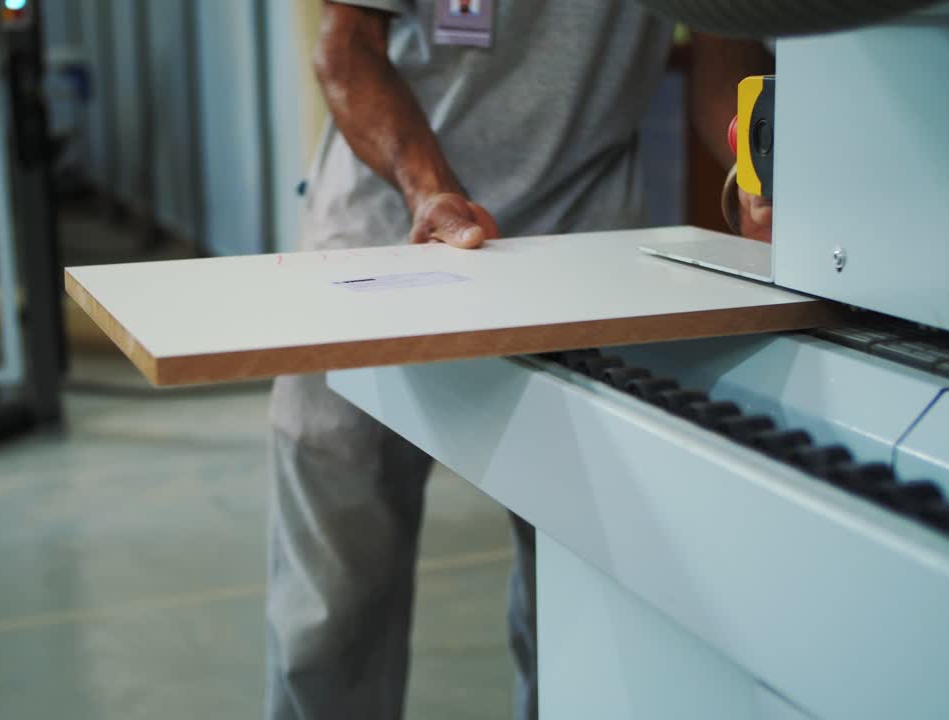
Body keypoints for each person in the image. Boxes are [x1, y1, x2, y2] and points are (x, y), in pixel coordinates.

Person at [266, 3, 774, 719]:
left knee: (576, 602)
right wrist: (431, 190)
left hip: (577, 261)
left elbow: (726, 47)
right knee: (332, 604)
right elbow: (345, 49)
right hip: (383, 242)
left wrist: (758, 168)